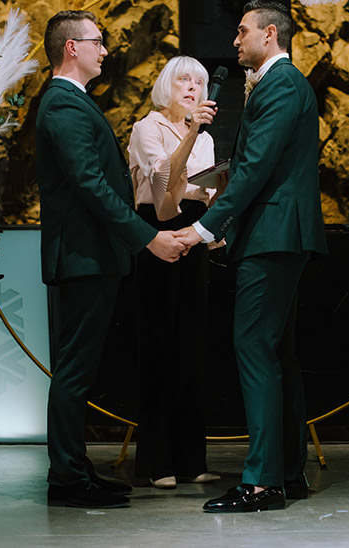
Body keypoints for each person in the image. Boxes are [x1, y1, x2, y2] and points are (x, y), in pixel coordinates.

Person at [176, 0, 327, 513]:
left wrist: (202, 228)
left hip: (274, 234)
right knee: (278, 353)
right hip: (277, 233)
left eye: (242, 32)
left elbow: (258, 166)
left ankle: (263, 482)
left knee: (255, 350)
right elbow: (261, 162)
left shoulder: (282, 84)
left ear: (269, 34)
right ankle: (288, 472)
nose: (234, 41)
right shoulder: (278, 85)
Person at [35, 10, 186, 509]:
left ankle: (75, 471)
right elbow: (91, 186)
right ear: (71, 48)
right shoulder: (61, 103)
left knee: (80, 369)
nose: (105, 50)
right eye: (97, 42)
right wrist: (147, 238)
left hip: (94, 255)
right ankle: (66, 479)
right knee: (74, 371)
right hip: (83, 256)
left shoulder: (72, 103)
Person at [127, 56, 224, 489]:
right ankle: (155, 462)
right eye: (183, 80)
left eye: (199, 82)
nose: (192, 88)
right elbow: (165, 188)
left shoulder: (205, 139)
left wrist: (217, 199)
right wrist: (192, 134)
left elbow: (202, 194)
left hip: (193, 234)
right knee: (157, 345)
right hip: (157, 233)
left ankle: (191, 459)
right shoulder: (147, 127)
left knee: (192, 346)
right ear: (166, 85)